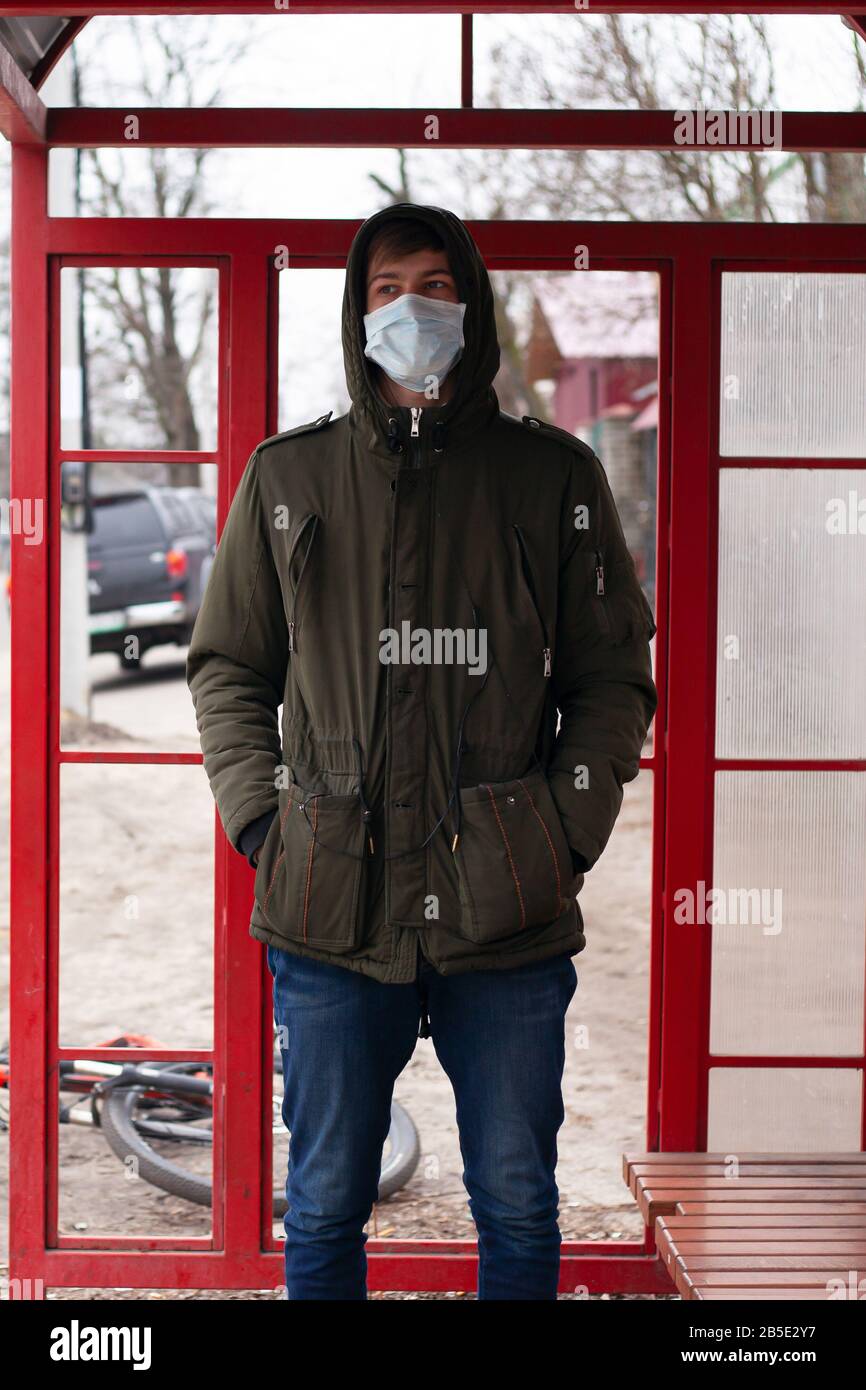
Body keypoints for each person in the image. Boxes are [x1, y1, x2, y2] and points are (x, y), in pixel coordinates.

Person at [186, 202, 657, 1300]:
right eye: (389, 288)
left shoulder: (551, 478)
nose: (413, 307)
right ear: (359, 311)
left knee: (514, 1194)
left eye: (436, 286)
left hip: (508, 913)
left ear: (472, 306)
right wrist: (263, 818)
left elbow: (609, 677)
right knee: (324, 1197)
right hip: (330, 912)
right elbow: (226, 668)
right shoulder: (287, 476)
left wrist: (556, 833)